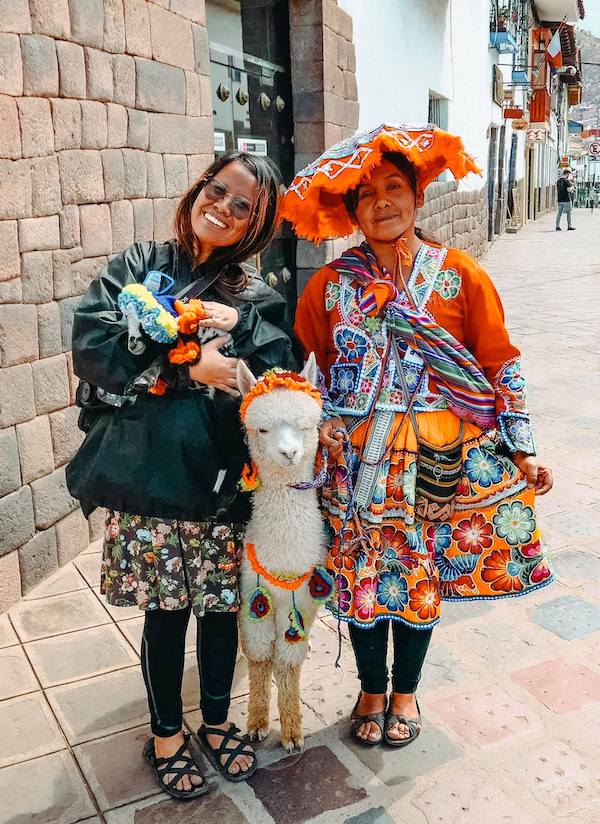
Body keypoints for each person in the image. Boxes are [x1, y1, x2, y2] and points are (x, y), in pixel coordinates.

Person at [285, 125, 554, 749]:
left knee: (416, 576)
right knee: (361, 576)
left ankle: (404, 690)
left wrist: (522, 446)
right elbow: (313, 373)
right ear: (351, 211)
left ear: (417, 197)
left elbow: (497, 363)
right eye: (367, 194)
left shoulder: (459, 275)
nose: (382, 201)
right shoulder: (328, 289)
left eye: (394, 187)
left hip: (435, 459)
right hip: (355, 465)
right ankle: (370, 688)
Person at [67, 152, 293, 798]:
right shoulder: (138, 268)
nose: (221, 207)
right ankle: (166, 734)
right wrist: (182, 368)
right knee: (165, 614)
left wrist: (241, 326)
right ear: (199, 190)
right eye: (215, 190)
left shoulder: (255, 297)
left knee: (220, 612)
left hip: (223, 486)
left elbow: (282, 366)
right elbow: (91, 344)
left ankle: (217, 723)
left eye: (241, 205)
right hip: (153, 480)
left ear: (256, 226)